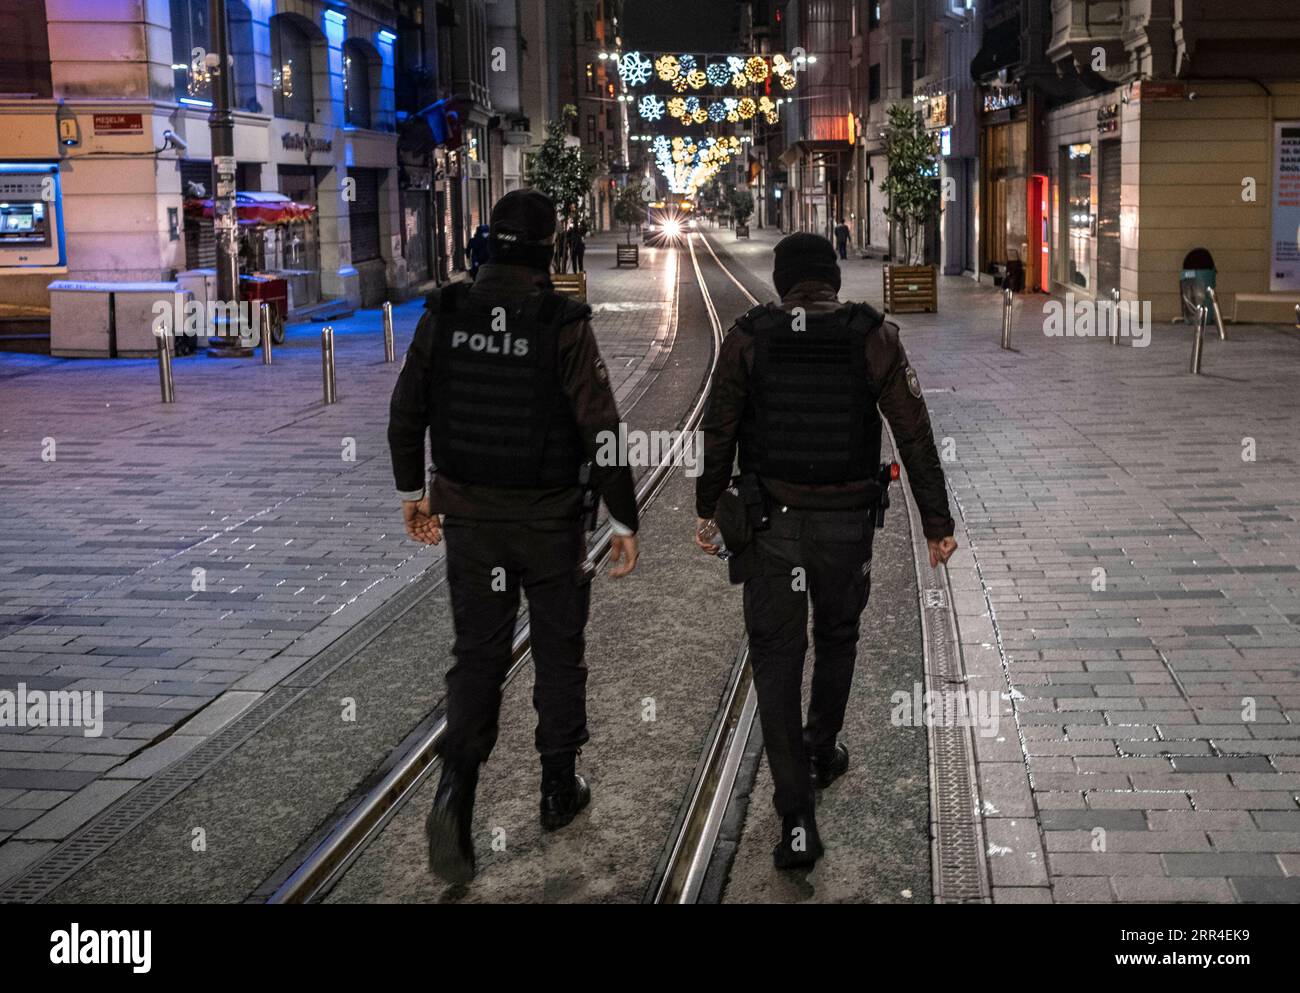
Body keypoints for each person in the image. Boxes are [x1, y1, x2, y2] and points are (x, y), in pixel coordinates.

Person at [388, 190, 641, 884]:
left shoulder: (444, 313)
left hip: (470, 520)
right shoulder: (559, 319)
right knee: (559, 652)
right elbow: (601, 426)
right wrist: (624, 517)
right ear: (545, 246)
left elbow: (405, 413)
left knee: (478, 656)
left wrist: (414, 495)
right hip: (551, 520)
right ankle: (558, 788)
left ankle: (455, 793)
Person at [694, 233, 957, 870]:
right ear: (834, 281)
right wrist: (936, 523)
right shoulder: (874, 336)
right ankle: (821, 748)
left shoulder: (749, 337)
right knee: (838, 635)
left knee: (777, 660)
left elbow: (719, 427)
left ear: (784, 282)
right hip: (846, 527)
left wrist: (707, 507)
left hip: (771, 529)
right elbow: (915, 434)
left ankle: (795, 814)